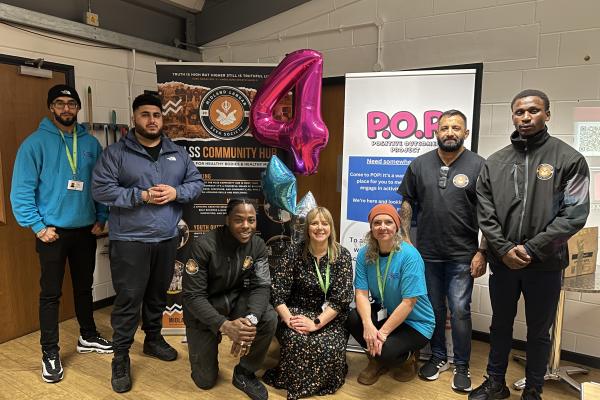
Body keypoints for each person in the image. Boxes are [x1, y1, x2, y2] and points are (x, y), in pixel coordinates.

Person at [472, 89, 590, 400]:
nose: (526, 117)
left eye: (534, 111)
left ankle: (534, 389)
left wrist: (532, 249)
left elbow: (574, 215)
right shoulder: (494, 163)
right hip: (503, 263)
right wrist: (503, 249)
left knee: (539, 332)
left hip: (546, 264)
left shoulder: (570, 160)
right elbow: (485, 212)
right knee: (500, 326)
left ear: (547, 115)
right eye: (520, 112)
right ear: (513, 116)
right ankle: (495, 382)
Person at [91, 93, 204, 393]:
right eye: (145, 114)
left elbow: (196, 183)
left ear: (162, 118)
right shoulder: (115, 153)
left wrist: (176, 193)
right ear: (134, 118)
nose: (151, 120)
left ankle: (153, 340)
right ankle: (120, 356)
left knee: (157, 295)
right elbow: (101, 190)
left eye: (156, 114)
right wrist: (139, 195)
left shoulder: (177, 153)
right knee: (129, 300)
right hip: (130, 240)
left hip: (166, 239)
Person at [10, 84, 113, 384]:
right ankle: (50, 353)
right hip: (52, 234)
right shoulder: (34, 144)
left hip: (85, 230)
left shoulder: (92, 145)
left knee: (84, 289)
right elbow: (21, 191)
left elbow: (100, 185)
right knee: (51, 295)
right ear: (51, 108)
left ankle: (88, 335)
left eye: (71, 103)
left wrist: (102, 215)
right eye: (59, 103)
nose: (66, 108)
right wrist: (38, 227)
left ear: (78, 108)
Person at [397, 109, 487, 392]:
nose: (450, 132)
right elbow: (407, 203)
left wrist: (482, 251)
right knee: (434, 308)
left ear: (466, 133)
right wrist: (406, 239)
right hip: (427, 253)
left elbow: (489, 212)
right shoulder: (420, 164)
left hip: (463, 254)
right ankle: (437, 357)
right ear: (436, 132)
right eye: (445, 128)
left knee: (459, 310)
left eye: (456, 128)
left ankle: (461, 365)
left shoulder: (479, 165)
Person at [182, 198, 277, 400]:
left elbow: (261, 286)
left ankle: (244, 372)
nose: (246, 226)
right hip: (203, 309)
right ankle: (210, 335)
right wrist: (224, 326)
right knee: (205, 381)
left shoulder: (258, 246)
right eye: (238, 220)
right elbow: (193, 296)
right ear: (227, 220)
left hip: (235, 301)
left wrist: (250, 323)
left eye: (251, 220)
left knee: (268, 316)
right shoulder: (203, 246)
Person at [263, 206, 354, 400]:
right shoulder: (293, 252)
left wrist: (316, 323)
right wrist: (289, 320)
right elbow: (277, 292)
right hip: (296, 311)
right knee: (298, 341)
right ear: (307, 228)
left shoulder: (342, 255)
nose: (320, 227)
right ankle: (295, 382)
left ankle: (326, 381)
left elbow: (342, 298)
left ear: (331, 227)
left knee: (329, 345)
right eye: (314, 223)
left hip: (330, 315)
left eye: (324, 223)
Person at [347, 203, 435, 385]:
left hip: (415, 322)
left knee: (386, 350)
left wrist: (382, 334)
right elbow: (361, 294)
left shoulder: (409, 255)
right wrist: (368, 326)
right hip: (386, 313)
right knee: (353, 318)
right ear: (371, 228)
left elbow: (409, 302)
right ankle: (376, 360)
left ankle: (407, 360)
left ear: (396, 226)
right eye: (377, 223)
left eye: (388, 222)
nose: (383, 227)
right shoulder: (365, 254)